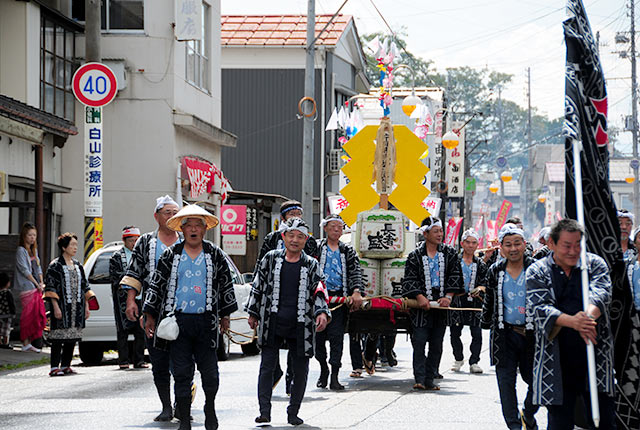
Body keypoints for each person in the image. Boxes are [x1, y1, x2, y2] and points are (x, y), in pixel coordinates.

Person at [143, 204, 238, 430]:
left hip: (207, 322)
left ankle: (210, 408)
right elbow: (156, 285)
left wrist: (225, 316)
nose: (194, 230)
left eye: (198, 225)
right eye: (189, 226)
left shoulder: (215, 254)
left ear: (205, 230)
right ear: (182, 230)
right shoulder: (171, 254)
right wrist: (150, 315)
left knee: (210, 373)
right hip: (178, 323)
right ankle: (184, 419)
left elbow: (225, 284)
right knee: (183, 373)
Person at [526, 219, 617, 429]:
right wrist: (574, 322)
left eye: (578, 244)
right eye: (567, 245)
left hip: (594, 357)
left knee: (604, 420)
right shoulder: (537, 270)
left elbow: (602, 294)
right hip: (556, 360)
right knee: (559, 422)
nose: (573, 251)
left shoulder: (594, 264)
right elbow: (540, 308)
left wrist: (587, 318)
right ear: (552, 243)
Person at [246, 217, 330, 426]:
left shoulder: (311, 264)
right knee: (267, 366)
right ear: (283, 237)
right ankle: (264, 411)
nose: (294, 240)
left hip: (301, 323)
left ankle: (293, 411)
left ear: (305, 240)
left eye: (299, 237)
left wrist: (321, 312)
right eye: (291, 235)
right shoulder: (270, 258)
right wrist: (253, 313)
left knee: (301, 369)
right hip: (272, 321)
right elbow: (258, 285)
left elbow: (320, 289)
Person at [120, 195, 183, 422]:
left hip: (183, 310)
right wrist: (131, 301)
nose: (172, 216)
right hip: (153, 311)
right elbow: (134, 274)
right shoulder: (146, 242)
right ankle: (166, 406)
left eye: (176, 212)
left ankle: (182, 404)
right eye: (167, 212)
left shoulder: (187, 241)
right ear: (156, 216)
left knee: (184, 360)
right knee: (159, 360)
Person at [254, 200, 318, 395]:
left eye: (299, 213)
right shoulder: (272, 240)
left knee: (296, 349)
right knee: (270, 349)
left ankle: (292, 382)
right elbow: (260, 267)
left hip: (299, 301)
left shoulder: (309, 240)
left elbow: (316, 270)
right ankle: (276, 375)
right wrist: (254, 305)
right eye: (292, 214)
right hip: (274, 302)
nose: (296, 217)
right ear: (283, 218)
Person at [482, 223, 539, 430]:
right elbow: (489, 299)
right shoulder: (495, 271)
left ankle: (529, 413)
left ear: (524, 244)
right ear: (501, 247)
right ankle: (514, 425)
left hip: (532, 336)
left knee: (537, 382)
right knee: (506, 384)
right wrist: (485, 322)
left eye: (517, 243)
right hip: (504, 335)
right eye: (508, 245)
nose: (513, 249)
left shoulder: (536, 268)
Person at [402, 216, 463, 391]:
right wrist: (420, 297)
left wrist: (448, 297)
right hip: (421, 304)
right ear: (426, 233)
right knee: (419, 341)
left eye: (441, 231)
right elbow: (410, 278)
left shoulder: (450, 253)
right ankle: (419, 378)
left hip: (442, 303)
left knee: (437, 343)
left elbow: (455, 275)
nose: (440, 234)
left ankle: (430, 378)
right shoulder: (415, 255)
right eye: (436, 231)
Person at [314, 214, 363, 390]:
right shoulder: (316, 247)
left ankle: (335, 374)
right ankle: (323, 369)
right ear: (325, 228)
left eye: (339, 227)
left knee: (337, 339)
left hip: (339, 300)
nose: (336, 229)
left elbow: (355, 271)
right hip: (318, 299)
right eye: (333, 226)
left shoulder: (347, 251)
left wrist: (356, 291)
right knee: (318, 340)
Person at [44, 233, 94, 376]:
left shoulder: (78, 265)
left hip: (76, 307)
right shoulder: (55, 266)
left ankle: (66, 365)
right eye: (72, 245)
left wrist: (86, 306)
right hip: (62, 307)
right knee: (58, 337)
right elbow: (50, 287)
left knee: (72, 336)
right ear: (63, 247)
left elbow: (84, 287)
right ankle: (54, 366)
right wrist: (55, 307)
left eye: (76, 245)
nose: (75, 248)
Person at [449, 229, 487, 374]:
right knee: (455, 332)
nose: (471, 245)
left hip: (475, 301)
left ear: (478, 245)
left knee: (476, 333)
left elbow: (486, 282)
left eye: (474, 243)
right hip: (457, 300)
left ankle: (474, 361)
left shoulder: (481, 264)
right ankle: (458, 358)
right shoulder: (454, 262)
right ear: (462, 244)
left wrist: (481, 288)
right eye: (468, 242)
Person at [109, 226, 147, 370]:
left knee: (140, 329)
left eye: (136, 240)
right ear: (124, 241)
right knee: (123, 330)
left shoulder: (142, 255)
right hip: (123, 299)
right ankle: (123, 360)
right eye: (131, 240)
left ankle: (139, 360)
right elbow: (115, 277)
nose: (134, 243)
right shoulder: (117, 257)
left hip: (141, 297)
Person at [14, 222, 46, 353]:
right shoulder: (21, 251)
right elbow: (24, 270)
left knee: (35, 315)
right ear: (24, 236)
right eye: (30, 235)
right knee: (27, 316)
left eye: (34, 235)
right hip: (26, 287)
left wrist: (41, 282)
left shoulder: (34, 250)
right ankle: (25, 342)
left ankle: (29, 342)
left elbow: (38, 267)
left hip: (36, 287)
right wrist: (36, 283)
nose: (32, 238)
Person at [0, 272, 15, 348]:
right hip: (7, 314)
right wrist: (13, 312)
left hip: (0, 313)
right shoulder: (8, 293)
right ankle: (5, 343)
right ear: (7, 283)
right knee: (6, 329)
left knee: (0, 329)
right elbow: (11, 303)